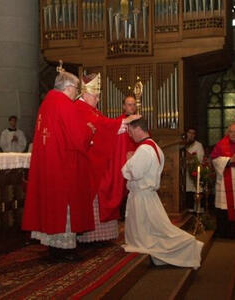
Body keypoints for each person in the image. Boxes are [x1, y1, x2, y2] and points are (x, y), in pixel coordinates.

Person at [22, 63, 95, 262]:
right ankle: (65, 250)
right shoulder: (64, 104)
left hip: (48, 164)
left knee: (51, 208)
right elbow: (77, 139)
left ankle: (54, 248)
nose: (76, 95)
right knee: (64, 208)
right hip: (63, 166)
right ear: (69, 88)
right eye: (76, 90)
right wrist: (89, 130)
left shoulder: (46, 104)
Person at [122, 118, 203, 269]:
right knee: (153, 229)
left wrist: (129, 160)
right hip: (148, 195)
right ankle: (186, 247)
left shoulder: (145, 149)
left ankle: (189, 246)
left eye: (131, 131)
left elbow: (134, 172)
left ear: (139, 129)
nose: (130, 135)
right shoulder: (155, 147)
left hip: (142, 196)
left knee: (154, 231)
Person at [75, 73, 141, 244]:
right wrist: (125, 123)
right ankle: (89, 237)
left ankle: (98, 236)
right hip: (86, 163)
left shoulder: (90, 109)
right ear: (86, 94)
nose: (98, 100)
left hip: (92, 161)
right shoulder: (81, 109)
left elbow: (103, 127)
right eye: (96, 96)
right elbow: (104, 127)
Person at [211, 122, 235, 238]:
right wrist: (229, 160)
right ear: (227, 132)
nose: (233, 134)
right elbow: (215, 159)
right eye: (231, 131)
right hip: (225, 181)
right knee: (224, 207)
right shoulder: (221, 144)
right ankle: (224, 232)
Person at [185, 128, 205, 211]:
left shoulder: (198, 145)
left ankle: (195, 213)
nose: (191, 135)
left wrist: (188, 155)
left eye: (193, 133)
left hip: (193, 173)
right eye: (190, 133)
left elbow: (199, 159)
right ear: (186, 133)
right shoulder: (182, 144)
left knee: (193, 192)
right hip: (183, 173)